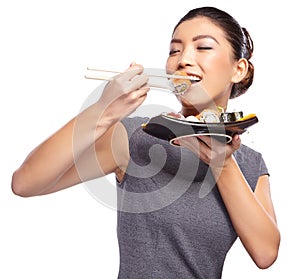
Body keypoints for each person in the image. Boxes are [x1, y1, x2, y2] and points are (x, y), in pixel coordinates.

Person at [12, 6, 280, 279]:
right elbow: (25, 183)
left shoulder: (250, 163)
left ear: (239, 69)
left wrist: (222, 163)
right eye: (175, 50)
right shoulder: (139, 136)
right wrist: (102, 113)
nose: (183, 59)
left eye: (203, 47)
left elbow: (265, 253)